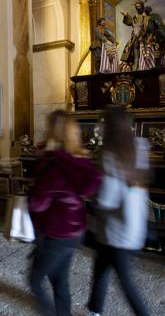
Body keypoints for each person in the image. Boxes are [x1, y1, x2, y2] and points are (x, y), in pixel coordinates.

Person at [28, 110, 102, 316]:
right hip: (74, 230)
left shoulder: (53, 164)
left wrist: (30, 195)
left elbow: (38, 204)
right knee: (60, 282)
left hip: (55, 232)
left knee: (34, 282)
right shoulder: (79, 161)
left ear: (52, 131)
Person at [85, 105, 151, 316]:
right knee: (100, 267)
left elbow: (107, 198)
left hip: (115, 229)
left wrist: (91, 196)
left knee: (125, 282)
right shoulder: (140, 146)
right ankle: (95, 309)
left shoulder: (109, 154)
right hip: (134, 223)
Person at [120, 0, 154, 71]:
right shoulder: (135, 16)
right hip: (135, 36)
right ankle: (135, 66)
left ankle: (145, 66)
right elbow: (131, 23)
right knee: (135, 51)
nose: (138, 8)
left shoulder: (147, 16)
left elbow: (149, 27)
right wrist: (126, 15)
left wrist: (145, 34)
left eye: (139, 6)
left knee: (145, 51)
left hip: (145, 37)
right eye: (137, 7)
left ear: (142, 6)